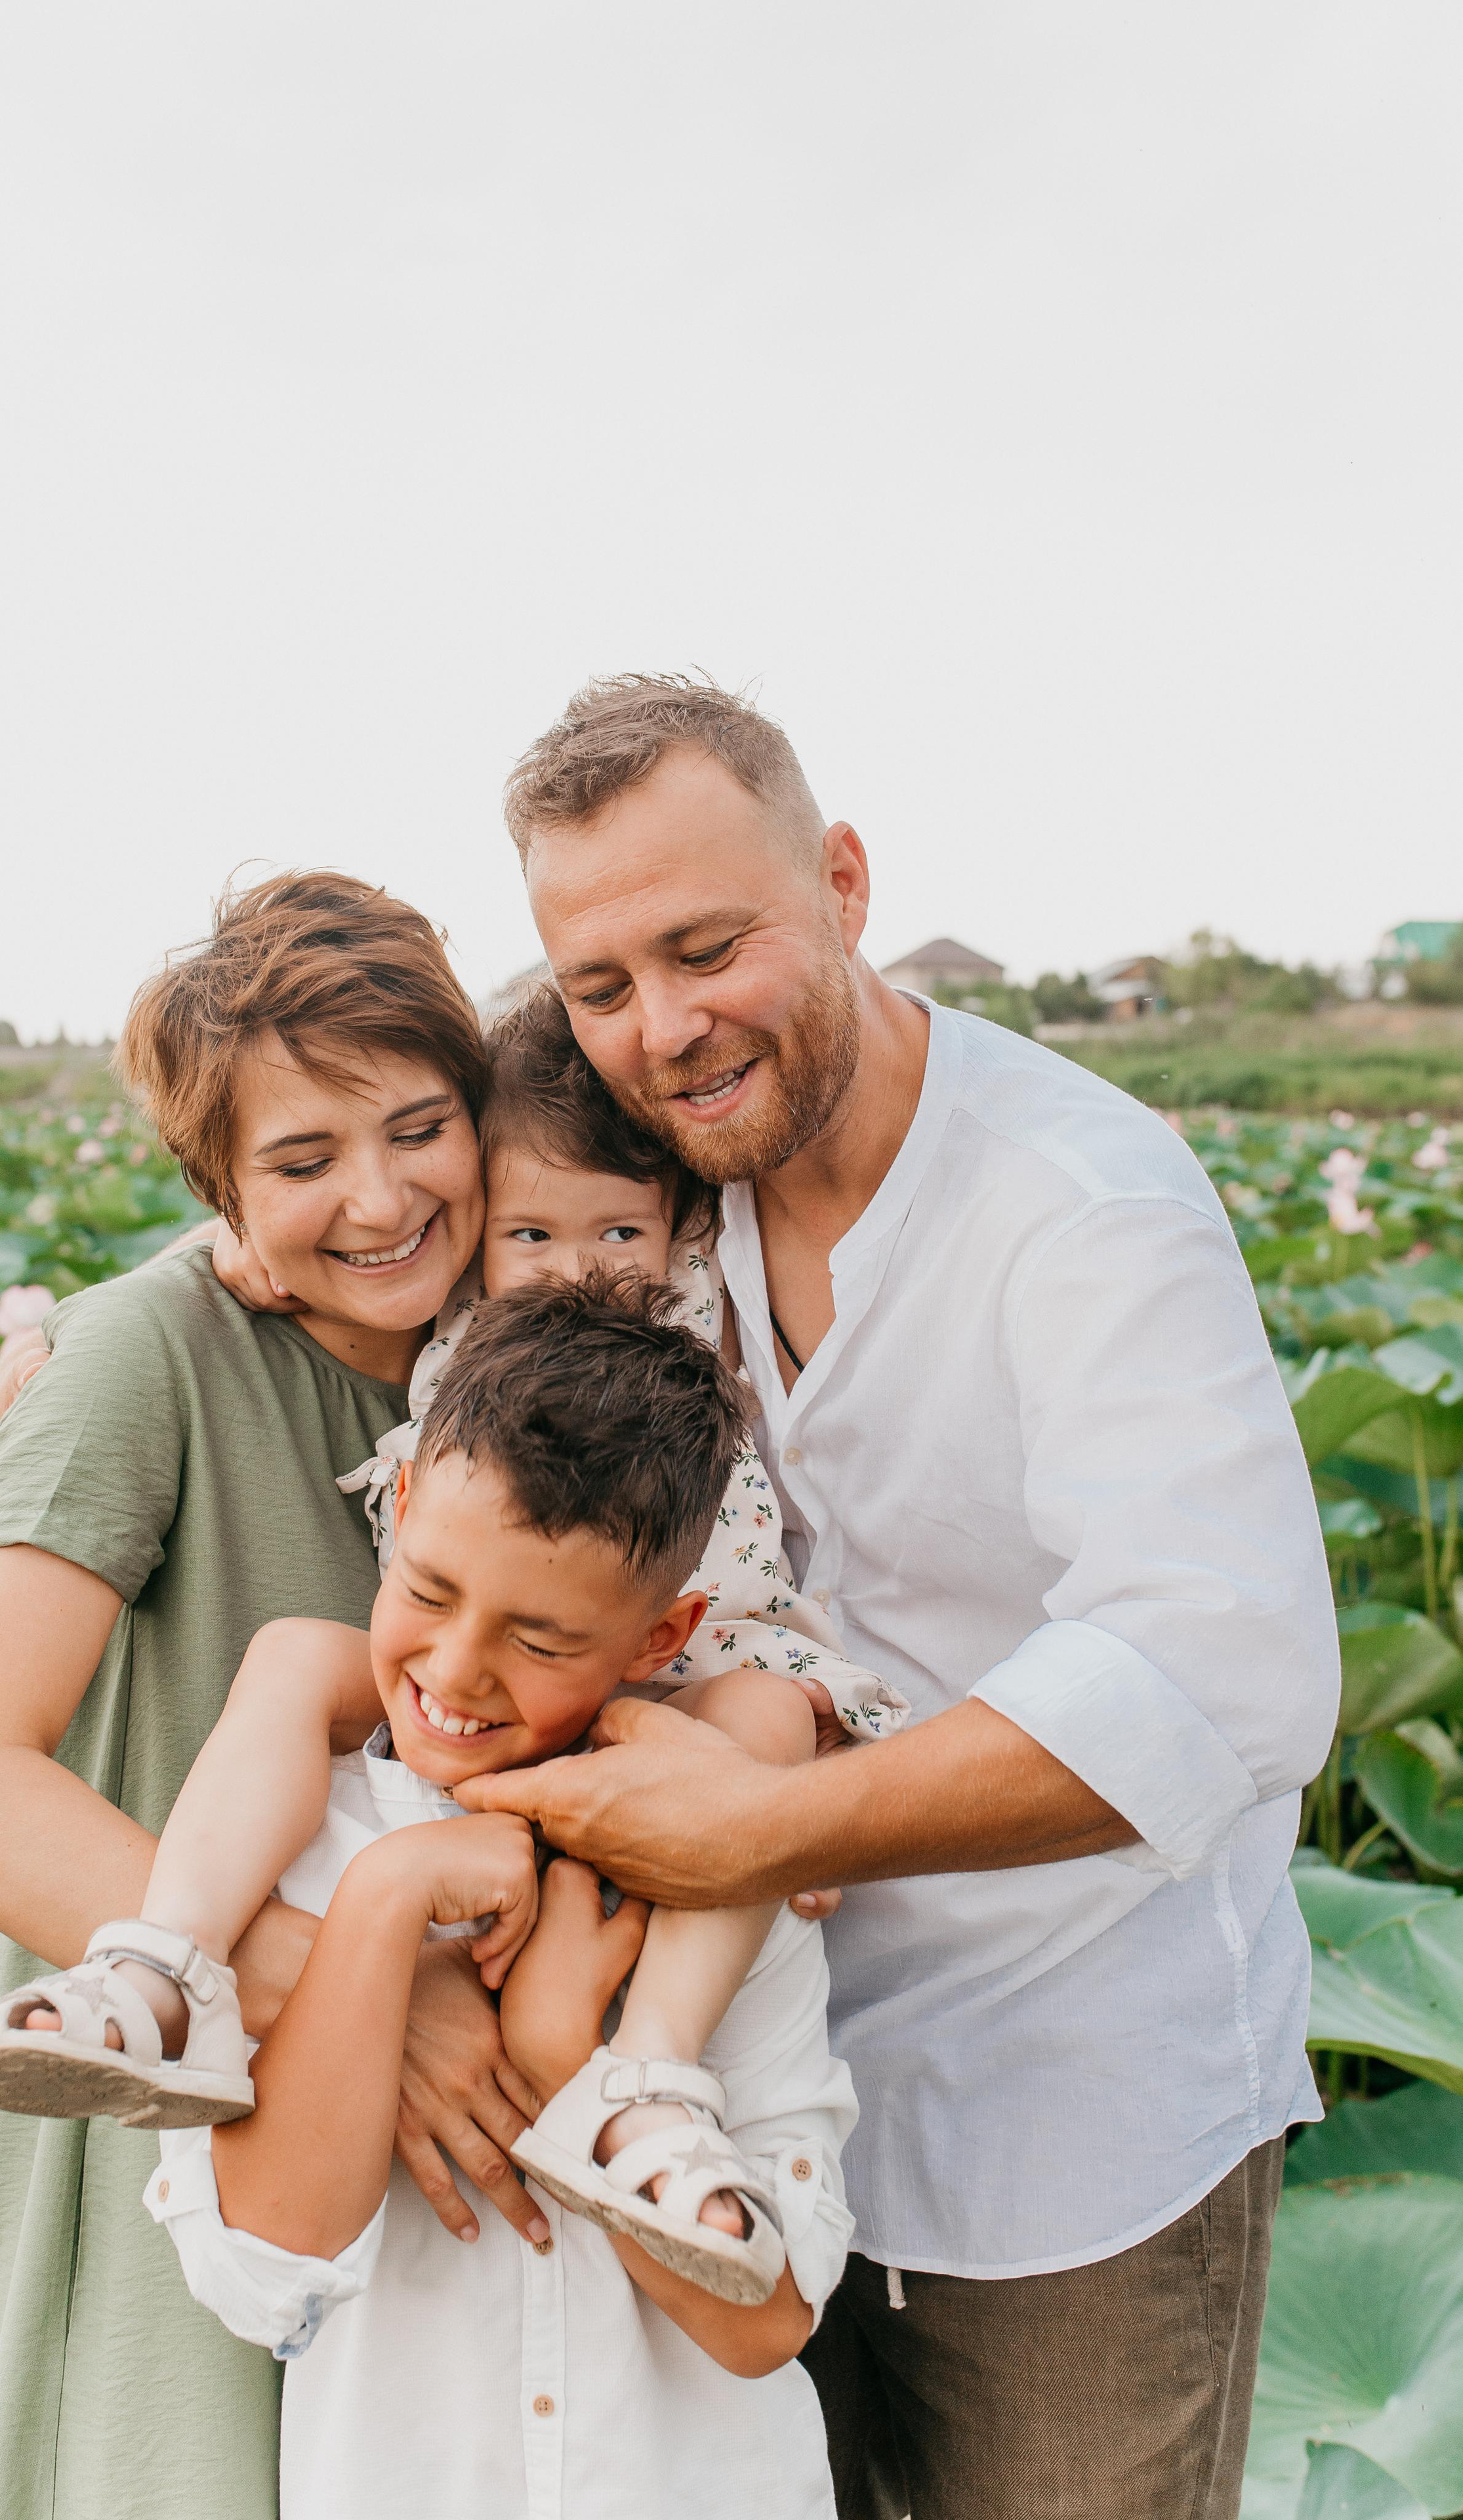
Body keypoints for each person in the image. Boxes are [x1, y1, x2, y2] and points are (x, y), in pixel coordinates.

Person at [442, 674, 1342, 2520]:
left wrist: (760, 1830)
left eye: (708, 948)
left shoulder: (1083, 1203)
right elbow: (369, 1192)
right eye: (601, 987)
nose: (664, 1028)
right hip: (739, 2096)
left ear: (843, 882)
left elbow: (1229, 1674)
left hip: (1069, 2115)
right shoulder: (665, 1193)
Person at [0, 986, 903, 2310]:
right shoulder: (459, 1285)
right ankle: (161, 1963)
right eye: (531, 1233)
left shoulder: (690, 1285)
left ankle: (652, 2087)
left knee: (754, 1747)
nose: (575, 1268)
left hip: (689, 1672)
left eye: (614, 1232)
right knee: (295, 1656)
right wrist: (97, 1313)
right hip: (517, 1683)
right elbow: (331, 1203)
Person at [0, 873, 543, 2520]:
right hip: (176, 2090)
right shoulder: (133, 1355)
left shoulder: (519, 1358)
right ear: (219, 1188)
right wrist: (343, 1998)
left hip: (433, 2150)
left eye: (416, 1129)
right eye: (303, 1163)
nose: (380, 1200)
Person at [142, 1275, 859, 2520]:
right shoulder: (285, 1830)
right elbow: (263, 2264)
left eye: (540, 1641)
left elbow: (767, 2327)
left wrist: (556, 2054)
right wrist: (385, 1895)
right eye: (427, 1593)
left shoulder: (722, 1888)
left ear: (659, 1636)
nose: (456, 1671)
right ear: (400, 1504)